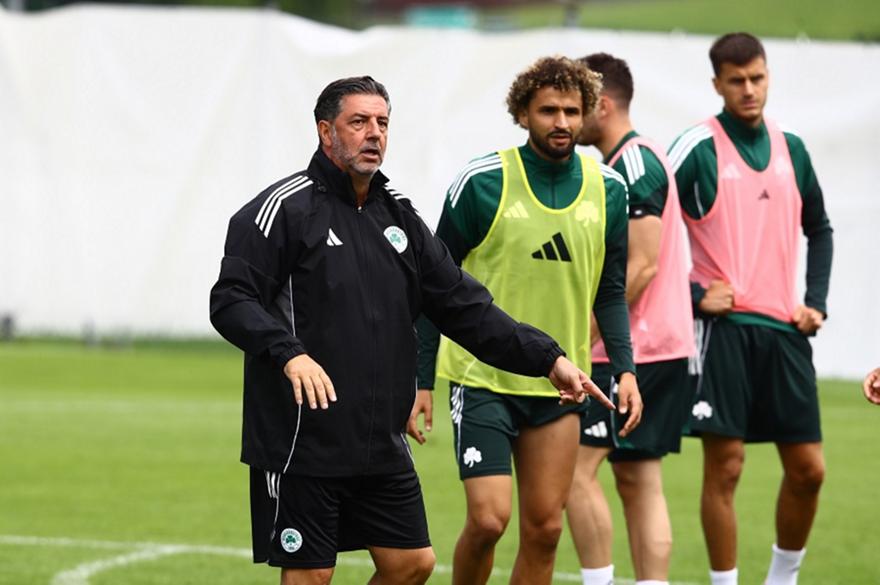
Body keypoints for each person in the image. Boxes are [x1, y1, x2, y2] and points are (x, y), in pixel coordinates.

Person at [209, 76, 609, 585]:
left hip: (380, 441)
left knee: (411, 564)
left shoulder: (398, 216)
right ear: (325, 132)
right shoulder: (283, 210)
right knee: (312, 575)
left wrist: (547, 359)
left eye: (382, 123)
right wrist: (290, 354)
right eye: (359, 122)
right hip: (302, 439)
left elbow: (465, 306)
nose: (374, 133)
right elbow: (231, 300)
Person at [415, 56, 642, 585]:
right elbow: (432, 287)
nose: (561, 122)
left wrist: (626, 369)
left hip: (562, 383)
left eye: (572, 111)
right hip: (482, 378)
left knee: (545, 530)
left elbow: (610, 292)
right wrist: (421, 379)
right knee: (489, 520)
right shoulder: (482, 182)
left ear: (587, 114)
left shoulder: (609, 189)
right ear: (522, 114)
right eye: (547, 111)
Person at [668, 33, 834, 585]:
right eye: (736, 80)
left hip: (785, 331)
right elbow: (646, 228)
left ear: (768, 77)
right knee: (727, 467)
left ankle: (782, 579)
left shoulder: (794, 148)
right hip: (724, 332)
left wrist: (816, 303)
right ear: (717, 83)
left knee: (809, 470)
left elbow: (820, 229)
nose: (748, 89)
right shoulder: (696, 147)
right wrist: (694, 295)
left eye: (757, 78)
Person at [564, 52, 695, 585]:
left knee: (572, 471)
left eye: (578, 106)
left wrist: (582, 337)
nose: (569, 119)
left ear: (604, 105)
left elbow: (642, 266)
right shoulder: (635, 159)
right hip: (662, 346)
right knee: (640, 479)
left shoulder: (633, 164)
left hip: (633, 351)